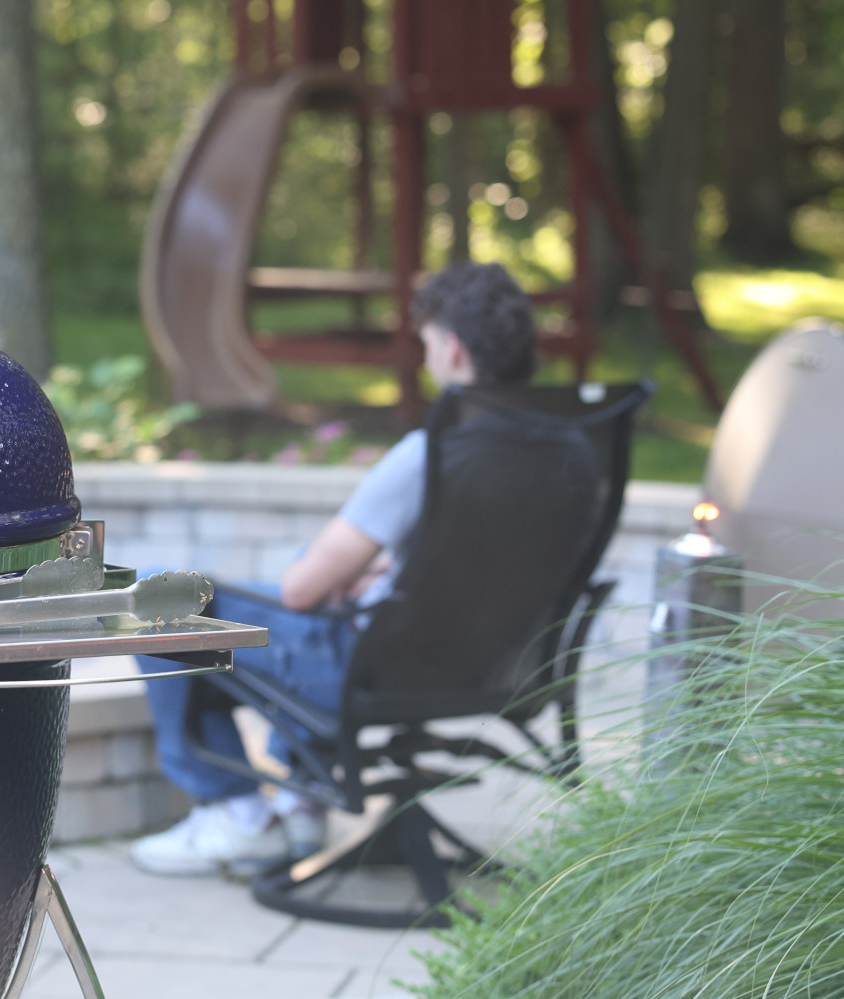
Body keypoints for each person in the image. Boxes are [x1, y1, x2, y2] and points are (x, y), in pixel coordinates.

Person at [129, 262, 538, 877]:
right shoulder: (563, 454)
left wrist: (344, 581)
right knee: (323, 585)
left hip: (366, 668)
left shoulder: (432, 455)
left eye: (426, 344)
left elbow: (301, 594)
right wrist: (383, 579)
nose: (426, 359)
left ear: (452, 350)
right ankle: (299, 799)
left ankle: (236, 814)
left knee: (160, 597)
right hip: (481, 665)